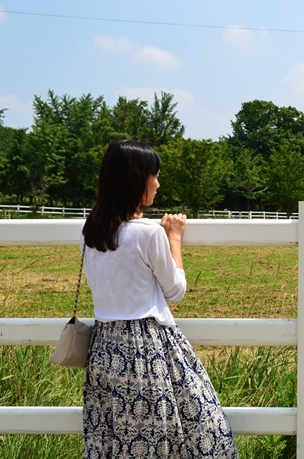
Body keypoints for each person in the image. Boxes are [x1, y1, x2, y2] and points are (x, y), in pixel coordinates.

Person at [80, 140, 238, 458]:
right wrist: (174, 238)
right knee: (198, 427)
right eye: (154, 175)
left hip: (104, 350)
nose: (158, 183)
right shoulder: (148, 233)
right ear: (137, 180)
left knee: (115, 442)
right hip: (145, 349)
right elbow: (175, 290)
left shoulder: (89, 230)